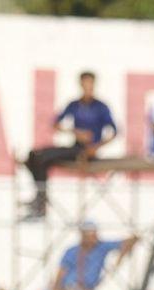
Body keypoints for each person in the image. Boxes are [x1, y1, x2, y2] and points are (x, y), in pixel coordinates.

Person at [22, 72, 117, 220]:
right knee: (34, 155)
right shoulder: (74, 105)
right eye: (85, 84)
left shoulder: (100, 107)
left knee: (41, 157)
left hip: (86, 151)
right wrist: (74, 131)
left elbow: (114, 131)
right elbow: (56, 123)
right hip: (76, 147)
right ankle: (40, 198)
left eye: (90, 84)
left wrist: (96, 147)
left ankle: (41, 203)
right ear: (81, 84)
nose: (88, 88)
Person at [52, 222, 137, 290]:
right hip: (68, 288)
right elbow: (62, 271)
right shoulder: (72, 251)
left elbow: (131, 241)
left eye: (94, 233)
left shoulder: (102, 247)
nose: (93, 237)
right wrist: (56, 288)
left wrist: (120, 258)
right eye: (89, 234)